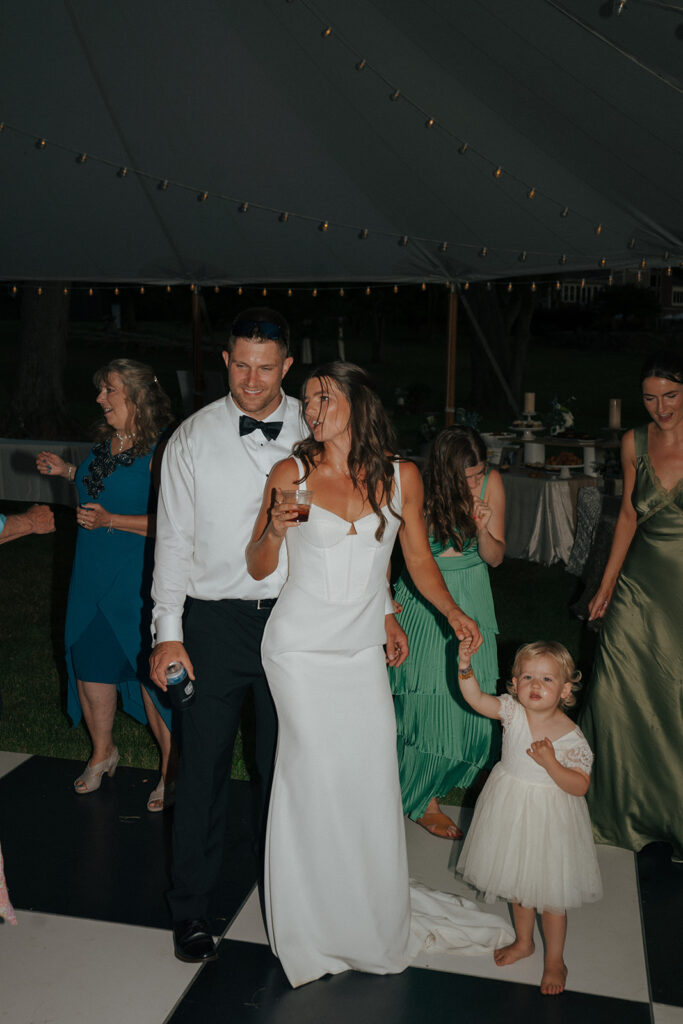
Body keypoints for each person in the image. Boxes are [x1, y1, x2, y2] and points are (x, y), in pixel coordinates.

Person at [149, 313, 411, 965]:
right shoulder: (191, 439)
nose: (251, 379)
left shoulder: (323, 417)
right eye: (240, 364)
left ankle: (300, 901)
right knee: (202, 767)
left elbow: (369, 525)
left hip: (301, 624)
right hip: (213, 620)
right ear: (224, 360)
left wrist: (381, 608)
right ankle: (193, 912)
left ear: (287, 366)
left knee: (290, 770)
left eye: (266, 366)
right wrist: (168, 632)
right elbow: (172, 543)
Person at [247, 362, 516, 989]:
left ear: (359, 402)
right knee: (312, 780)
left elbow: (417, 560)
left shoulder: (402, 478)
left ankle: (365, 910)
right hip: (299, 653)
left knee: (367, 780)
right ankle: (312, 922)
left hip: (361, 652)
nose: (312, 410)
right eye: (307, 400)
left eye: (324, 398)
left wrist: (453, 613)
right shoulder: (290, 473)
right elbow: (260, 567)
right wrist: (272, 528)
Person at [36, 360, 174, 810]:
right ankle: (103, 752)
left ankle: (173, 770)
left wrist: (111, 520)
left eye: (108, 390)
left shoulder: (163, 453)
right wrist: (67, 472)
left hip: (136, 579)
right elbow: (102, 482)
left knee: (152, 676)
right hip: (91, 573)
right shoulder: (106, 443)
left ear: (133, 396)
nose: (99, 398)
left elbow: (174, 524)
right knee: (90, 660)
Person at [580, 349, 683, 860]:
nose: (660, 407)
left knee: (675, 694)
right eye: (650, 397)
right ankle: (617, 809)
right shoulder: (633, 441)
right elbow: (626, 516)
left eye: (670, 395)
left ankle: (673, 810)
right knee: (614, 687)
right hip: (638, 584)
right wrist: (605, 585)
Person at [456, 640, 602, 996]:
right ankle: (524, 942)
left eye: (547, 679)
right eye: (527, 677)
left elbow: (579, 785)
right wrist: (464, 667)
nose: (535, 686)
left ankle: (555, 959)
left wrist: (551, 763)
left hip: (550, 821)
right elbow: (476, 699)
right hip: (510, 809)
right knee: (518, 885)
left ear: (566, 690)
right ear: (515, 683)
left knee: (550, 896)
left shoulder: (571, 737)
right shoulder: (511, 712)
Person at [390, 426, 505, 839]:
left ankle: (429, 785)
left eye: (478, 474)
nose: (475, 483)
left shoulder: (491, 485)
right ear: (444, 472)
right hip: (424, 602)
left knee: (475, 709)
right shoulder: (416, 486)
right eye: (467, 477)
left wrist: (483, 529)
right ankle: (423, 799)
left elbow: (494, 558)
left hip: (473, 597)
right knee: (425, 706)